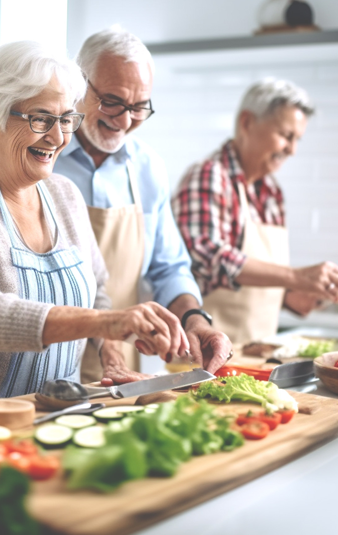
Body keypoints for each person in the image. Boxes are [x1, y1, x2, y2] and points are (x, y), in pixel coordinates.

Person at [0, 41, 193, 398]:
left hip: (51, 411)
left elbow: (97, 293)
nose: (58, 136)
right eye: (41, 118)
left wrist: (111, 355)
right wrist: (107, 323)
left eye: (66, 119)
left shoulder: (65, 196)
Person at [52, 27, 232, 383]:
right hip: (46, 361)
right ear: (78, 83)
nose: (123, 121)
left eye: (137, 107)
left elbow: (168, 268)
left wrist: (195, 319)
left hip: (122, 369)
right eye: (112, 101)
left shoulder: (148, 168)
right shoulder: (43, 158)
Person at [172, 79, 338, 344]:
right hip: (202, 355)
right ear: (247, 122)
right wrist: (297, 276)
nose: (292, 150)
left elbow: (253, 283)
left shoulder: (271, 193)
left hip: (254, 356)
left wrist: (294, 296)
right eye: (285, 136)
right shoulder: (210, 175)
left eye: (297, 140)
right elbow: (206, 255)